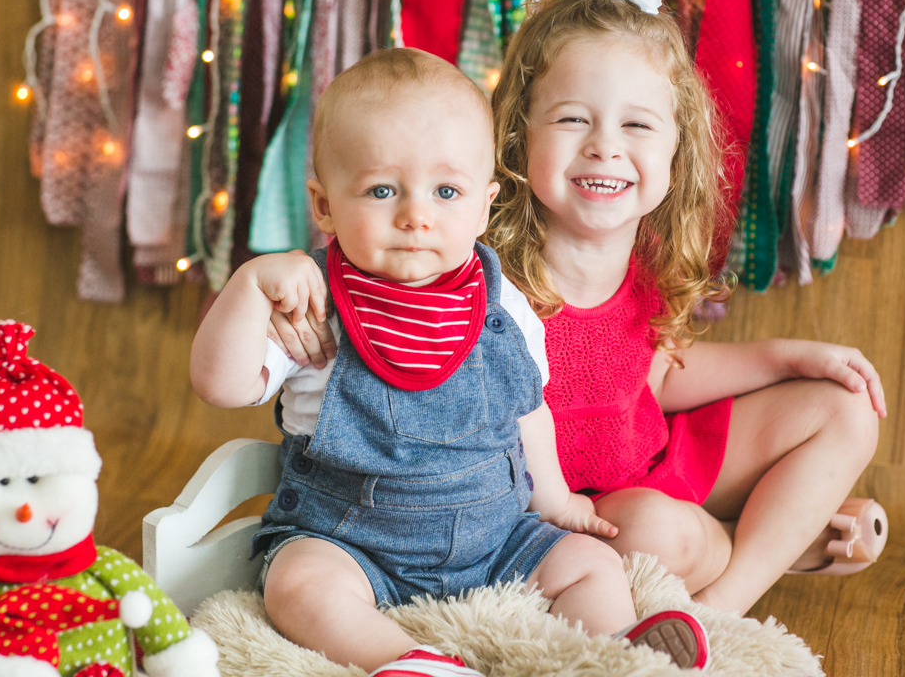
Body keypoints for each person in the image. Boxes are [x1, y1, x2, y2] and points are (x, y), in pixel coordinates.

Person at [190, 48, 710, 676]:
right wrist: (249, 286)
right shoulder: (313, 301)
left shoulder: (501, 302)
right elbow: (220, 385)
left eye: (446, 191)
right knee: (297, 584)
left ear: (484, 205)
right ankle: (407, 661)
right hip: (351, 543)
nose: (416, 216)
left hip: (497, 539)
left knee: (590, 563)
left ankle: (613, 651)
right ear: (324, 206)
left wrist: (556, 500)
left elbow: (529, 407)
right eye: (382, 190)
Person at [483, 0, 888, 615]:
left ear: (677, 150)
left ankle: (727, 599)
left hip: (650, 461)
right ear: (519, 133)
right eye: (573, 118)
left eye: (637, 125)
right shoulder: (483, 271)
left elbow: (659, 377)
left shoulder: (644, 259)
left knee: (847, 406)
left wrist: (788, 358)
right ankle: (772, 539)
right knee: (657, 534)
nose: (605, 146)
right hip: (569, 521)